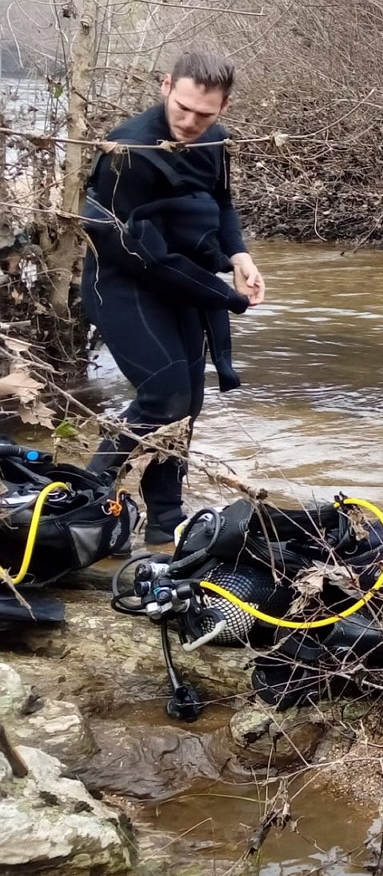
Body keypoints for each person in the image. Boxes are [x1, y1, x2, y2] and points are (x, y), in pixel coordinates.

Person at [82, 50, 266, 544]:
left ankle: (165, 522)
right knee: (164, 397)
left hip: (183, 282)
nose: (189, 122)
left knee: (187, 405)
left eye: (204, 115)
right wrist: (224, 297)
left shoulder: (216, 140)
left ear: (222, 109)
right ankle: (86, 498)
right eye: (182, 107)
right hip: (124, 282)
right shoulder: (129, 149)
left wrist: (238, 257)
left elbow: (223, 202)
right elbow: (133, 250)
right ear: (165, 86)